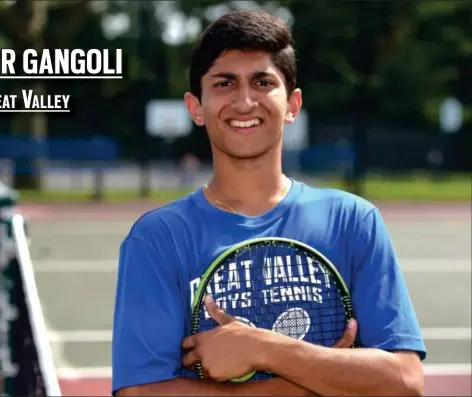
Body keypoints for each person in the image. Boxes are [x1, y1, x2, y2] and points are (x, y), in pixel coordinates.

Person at [112, 9, 426, 396]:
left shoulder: (353, 220)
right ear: (195, 107)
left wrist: (262, 348)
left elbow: (405, 381)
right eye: (225, 83)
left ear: (292, 105)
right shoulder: (157, 238)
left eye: (262, 82)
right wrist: (318, 379)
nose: (244, 101)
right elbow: (140, 394)